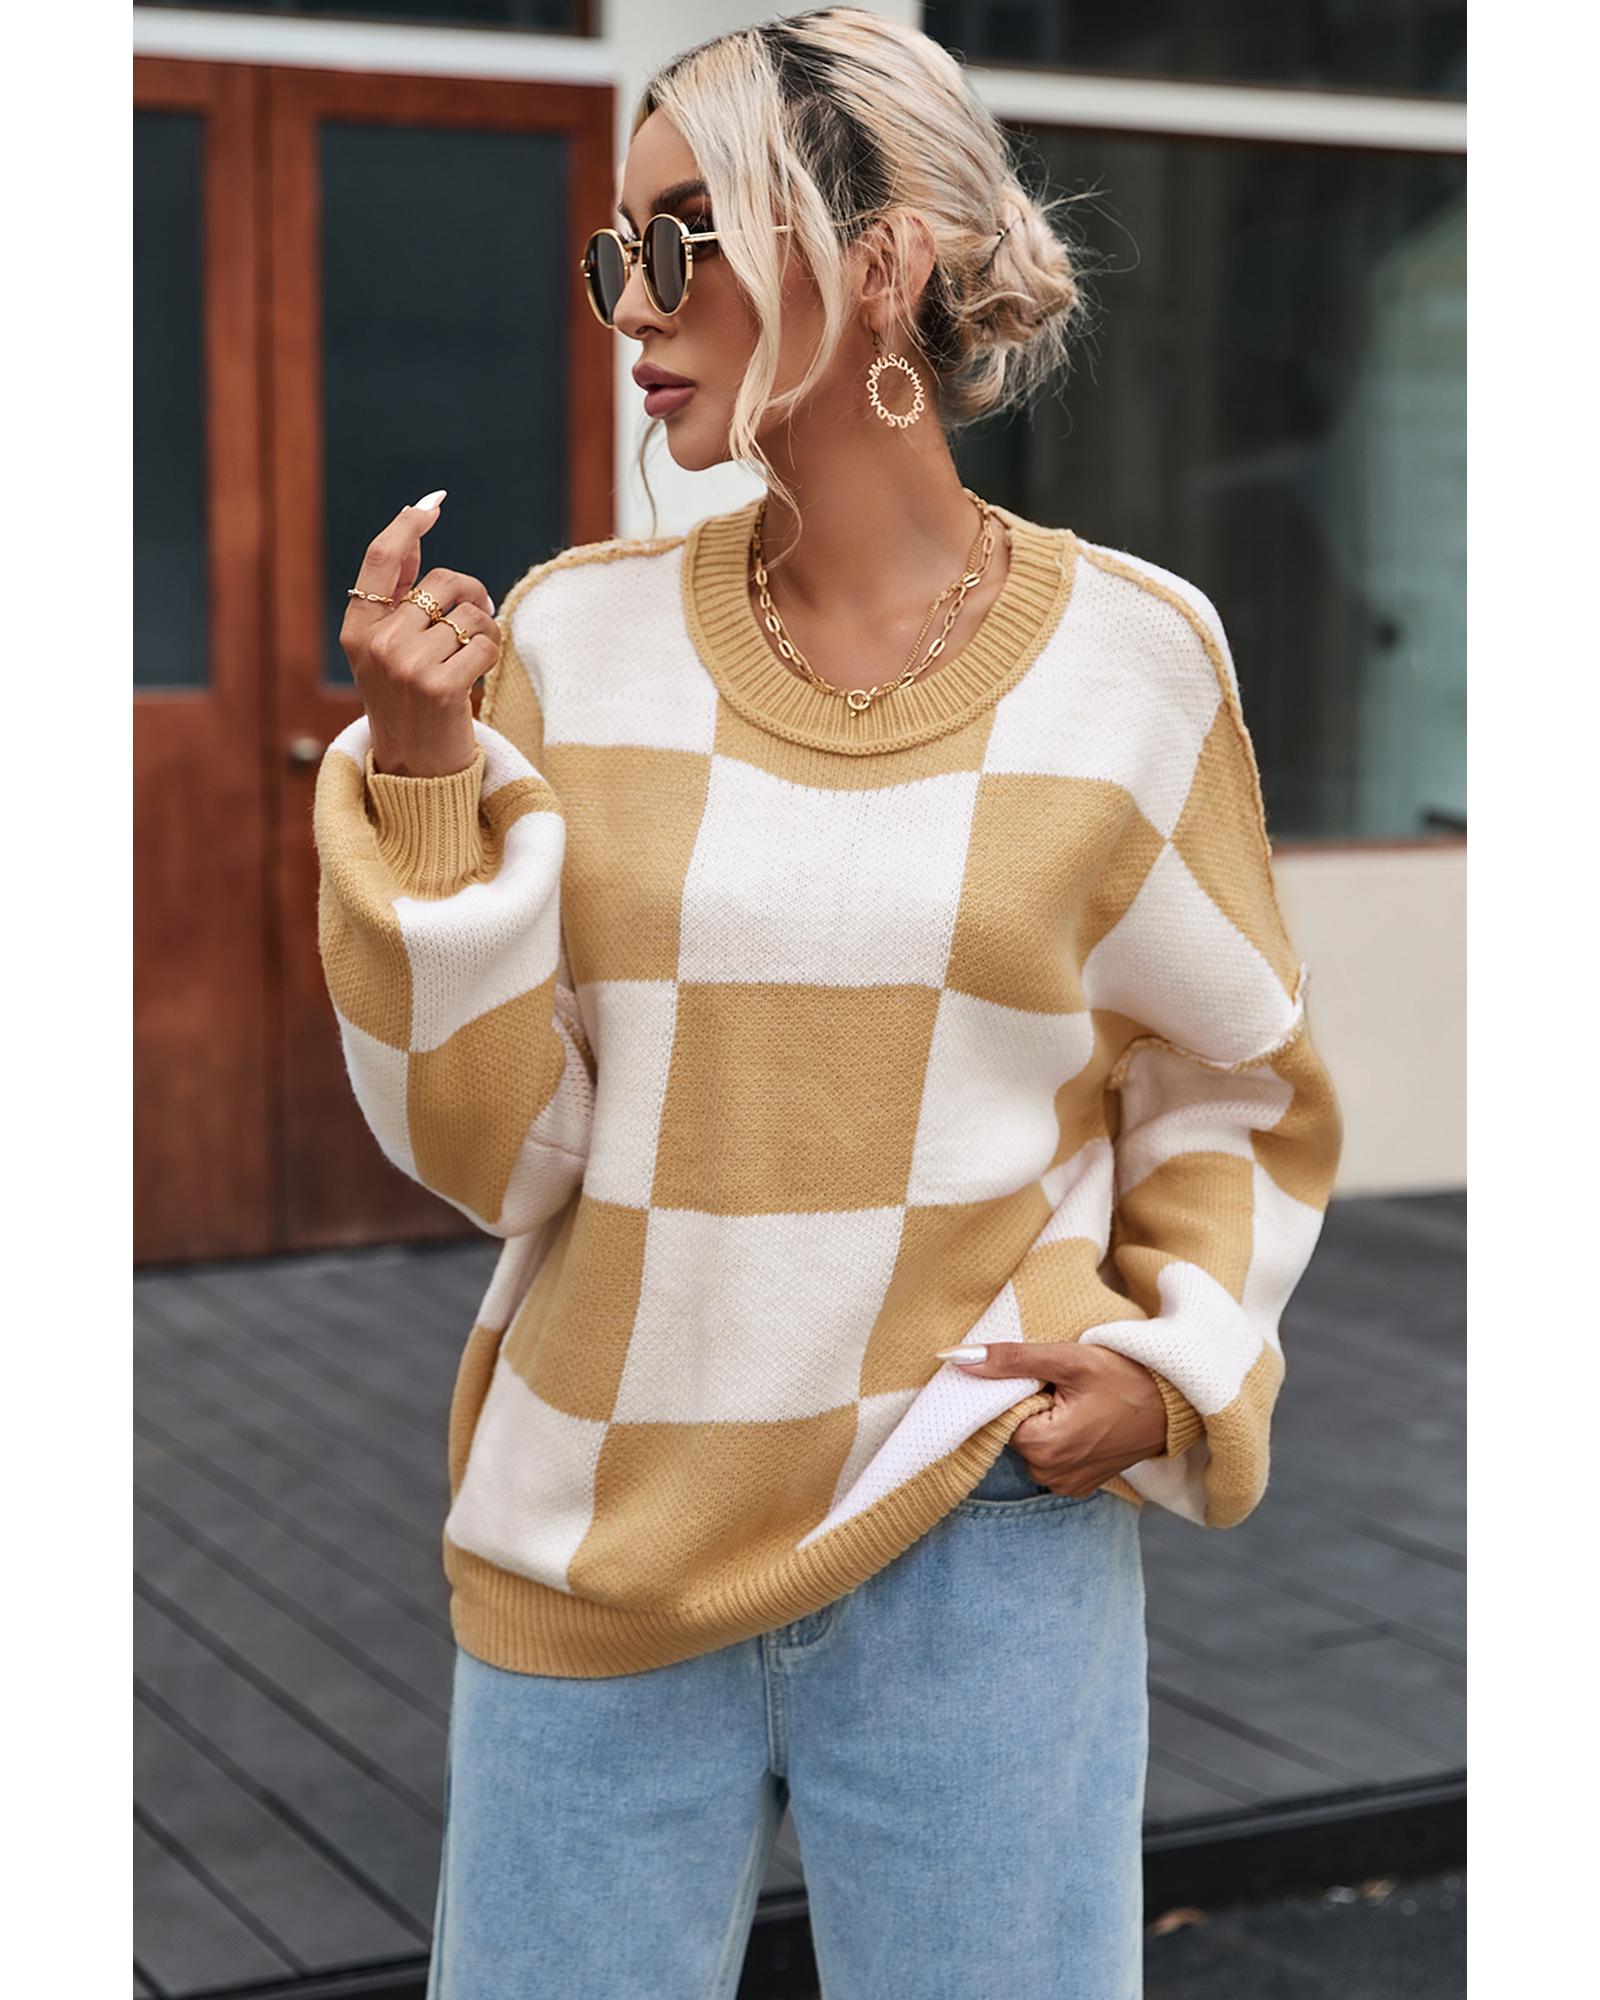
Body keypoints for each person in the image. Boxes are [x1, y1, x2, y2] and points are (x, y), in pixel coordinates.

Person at [312, 10, 1344, 1997]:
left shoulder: (1138, 660)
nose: (634, 300)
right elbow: (495, 1156)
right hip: (597, 1535)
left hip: (981, 1530)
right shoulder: (572, 641)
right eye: (613, 253)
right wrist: (427, 778)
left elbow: (1232, 1085)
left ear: (878, 260)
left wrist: (1172, 1369)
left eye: (680, 238)